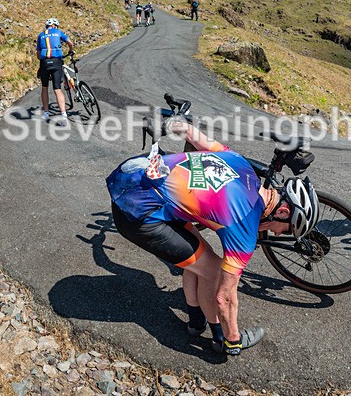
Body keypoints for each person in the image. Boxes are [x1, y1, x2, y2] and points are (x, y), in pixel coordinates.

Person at [105, 120, 320, 355]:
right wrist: (234, 337)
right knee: (214, 271)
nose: (278, 233)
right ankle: (224, 340)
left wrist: (167, 124)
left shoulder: (240, 163)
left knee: (198, 257)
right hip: (137, 212)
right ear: (283, 212)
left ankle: (196, 323)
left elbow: (190, 132)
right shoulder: (244, 224)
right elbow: (224, 298)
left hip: (135, 176)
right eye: (286, 229)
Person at [36, 18, 74, 125]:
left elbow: (38, 55)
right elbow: (70, 43)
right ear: (54, 26)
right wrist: (70, 50)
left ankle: (46, 113)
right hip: (57, 61)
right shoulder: (58, 32)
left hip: (44, 63)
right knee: (57, 88)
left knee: (44, 87)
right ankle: (63, 115)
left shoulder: (41, 35)